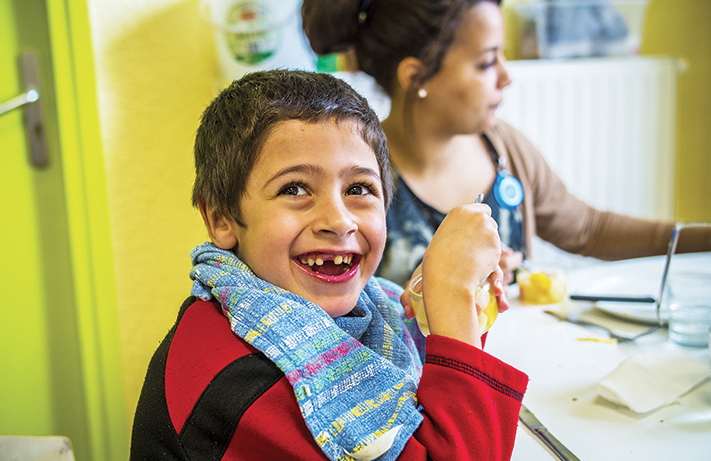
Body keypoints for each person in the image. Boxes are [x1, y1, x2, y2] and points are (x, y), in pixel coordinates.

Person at [129, 70, 528, 461]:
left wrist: (454, 300)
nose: (338, 221)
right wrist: (452, 298)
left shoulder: (376, 306)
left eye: (359, 189)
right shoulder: (247, 378)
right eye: (294, 188)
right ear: (221, 218)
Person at [301, 0, 711, 287]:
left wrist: (702, 239)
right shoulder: (359, 175)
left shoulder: (503, 148)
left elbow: (588, 229)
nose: (506, 76)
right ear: (416, 76)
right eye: (485, 62)